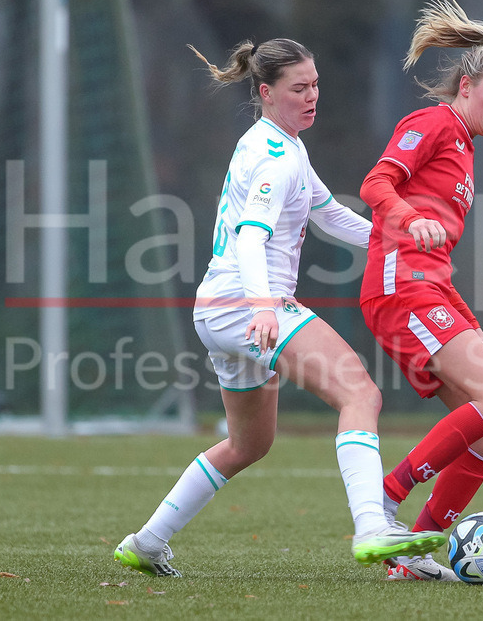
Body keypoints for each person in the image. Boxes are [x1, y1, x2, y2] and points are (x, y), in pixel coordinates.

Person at [113, 37, 445, 577]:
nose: (312, 97)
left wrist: (395, 240)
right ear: (266, 93)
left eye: (315, 85)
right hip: (247, 306)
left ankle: (146, 542)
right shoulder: (275, 157)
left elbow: (328, 213)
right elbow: (250, 237)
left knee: (248, 443)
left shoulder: (281, 145)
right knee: (360, 393)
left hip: (219, 308)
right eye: (298, 88)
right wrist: (265, 308)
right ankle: (372, 527)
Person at [359, 0, 483, 582]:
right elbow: (376, 183)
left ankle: (411, 558)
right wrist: (409, 218)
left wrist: (468, 320)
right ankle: (385, 502)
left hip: (429, 287)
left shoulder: (464, 145)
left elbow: (437, 257)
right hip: (400, 287)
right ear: (465, 84)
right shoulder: (433, 123)